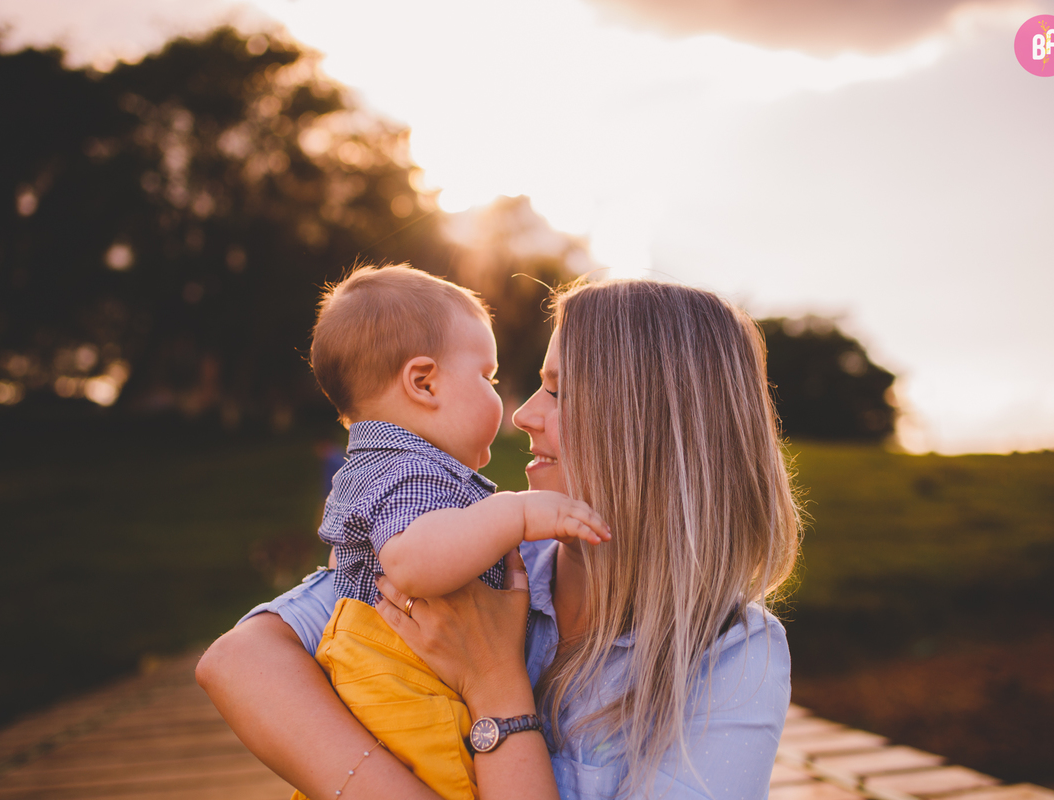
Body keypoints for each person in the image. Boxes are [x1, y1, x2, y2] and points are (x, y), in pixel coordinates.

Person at [198, 278, 802, 800]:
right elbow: (240, 661)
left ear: (653, 423)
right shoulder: (484, 552)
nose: (524, 414)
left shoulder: (733, 655)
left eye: (559, 391)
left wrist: (494, 683)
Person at [292, 264, 610, 800]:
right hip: (401, 691)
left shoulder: (380, 467)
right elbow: (414, 565)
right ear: (424, 383)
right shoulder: (409, 472)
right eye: (488, 379)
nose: (512, 409)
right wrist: (517, 514)